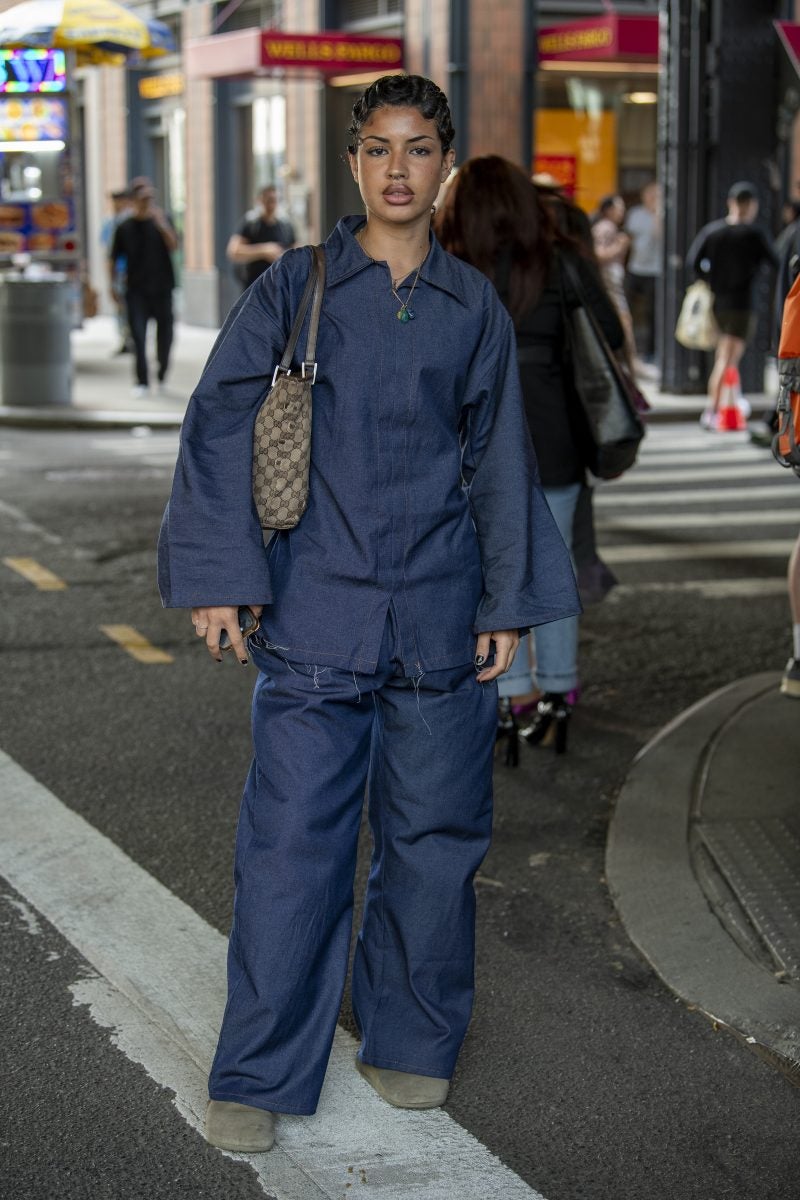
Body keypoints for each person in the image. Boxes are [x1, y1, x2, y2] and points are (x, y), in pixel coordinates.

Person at [157, 75, 579, 1152]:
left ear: (443, 168)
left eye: (420, 149)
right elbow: (217, 426)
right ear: (352, 164)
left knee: (434, 841)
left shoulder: (468, 306)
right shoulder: (294, 289)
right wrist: (218, 576)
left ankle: (410, 1041)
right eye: (380, 148)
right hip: (314, 613)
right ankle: (256, 1072)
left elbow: (497, 461)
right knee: (292, 846)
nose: (399, 168)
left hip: (439, 617)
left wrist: (506, 600)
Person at [436, 155, 624, 755]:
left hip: (473, 440)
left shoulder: (447, 266)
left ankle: (507, 697)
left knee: (488, 570)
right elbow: (611, 338)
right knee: (557, 568)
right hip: (554, 437)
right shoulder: (560, 259)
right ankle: (558, 696)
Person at [686, 181, 778, 427]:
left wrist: (710, 280)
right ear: (751, 205)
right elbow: (776, 261)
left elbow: (692, 263)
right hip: (743, 303)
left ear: (731, 203)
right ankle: (713, 409)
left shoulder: (712, 232)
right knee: (728, 358)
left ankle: (727, 403)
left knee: (723, 354)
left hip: (717, 302)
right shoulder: (754, 234)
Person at [110, 183, 178, 396]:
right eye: (142, 199)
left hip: (162, 288)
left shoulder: (162, 221)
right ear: (133, 201)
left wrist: (161, 224)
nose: (146, 203)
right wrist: (112, 285)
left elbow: (174, 245)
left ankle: (162, 375)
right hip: (136, 290)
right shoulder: (124, 227)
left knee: (165, 334)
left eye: (150, 199)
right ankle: (142, 381)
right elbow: (112, 258)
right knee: (138, 335)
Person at [592, 194, 636, 366]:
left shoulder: (607, 227)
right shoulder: (606, 227)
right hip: (609, 282)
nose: (622, 212)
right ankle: (628, 362)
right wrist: (621, 245)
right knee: (624, 321)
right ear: (609, 210)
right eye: (619, 208)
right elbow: (599, 255)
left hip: (612, 281)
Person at [226, 184, 296, 290]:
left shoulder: (285, 226)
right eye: (268, 200)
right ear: (260, 201)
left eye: (274, 200)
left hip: (279, 288)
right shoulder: (251, 224)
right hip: (254, 287)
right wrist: (264, 251)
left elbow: (296, 255)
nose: (271, 205)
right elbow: (234, 252)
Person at [624, 181, 661, 370]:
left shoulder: (662, 214)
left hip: (655, 270)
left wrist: (657, 212)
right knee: (626, 310)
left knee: (652, 313)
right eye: (650, 194)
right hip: (635, 267)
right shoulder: (635, 214)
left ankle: (651, 352)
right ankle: (629, 351)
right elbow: (628, 240)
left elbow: (659, 235)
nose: (652, 198)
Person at [100, 188, 133, 355]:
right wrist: (110, 281)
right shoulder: (110, 224)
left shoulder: (131, 222)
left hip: (133, 273)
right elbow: (108, 255)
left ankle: (133, 339)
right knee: (121, 309)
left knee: (131, 309)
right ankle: (126, 339)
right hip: (119, 273)